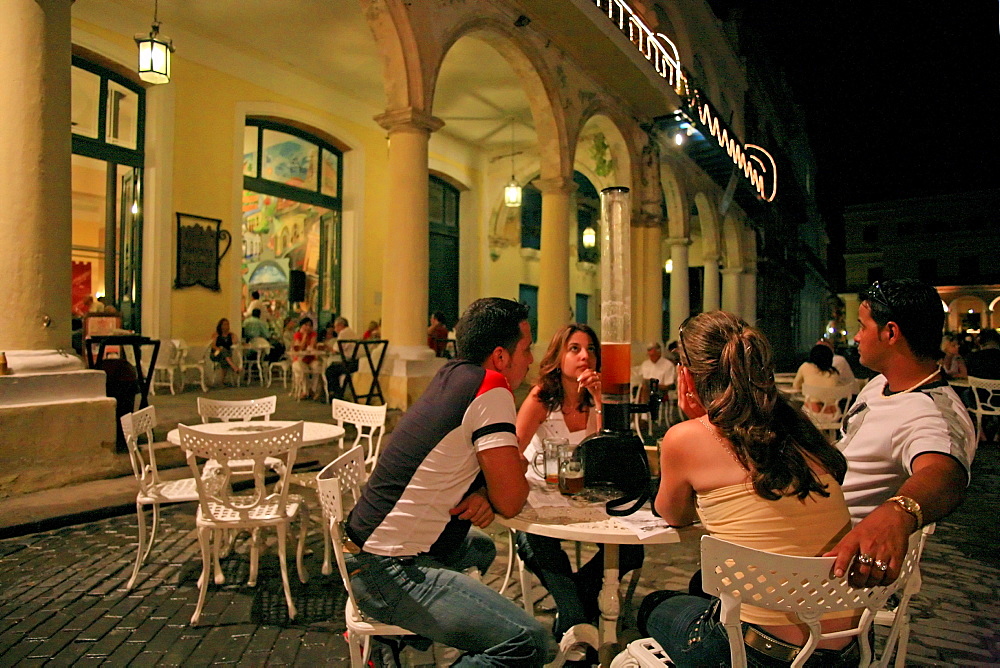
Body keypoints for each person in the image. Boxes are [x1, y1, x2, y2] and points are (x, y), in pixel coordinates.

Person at [640, 311, 858, 666]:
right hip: (848, 646)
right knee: (703, 585)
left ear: (686, 376)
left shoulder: (685, 439)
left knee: (656, 603)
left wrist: (692, 420)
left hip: (761, 655)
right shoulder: (797, 426)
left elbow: (673, 515)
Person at [344, 298, 554, 665]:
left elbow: (471, 471)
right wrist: (497, 487)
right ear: (501, 357)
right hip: (389, 569)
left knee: (479, 548)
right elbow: (511, 500)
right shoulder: (492, 388)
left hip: (363, 549)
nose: (532, 359)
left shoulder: (452, 375)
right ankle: (406, 625)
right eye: (527, 348)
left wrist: (486, 490)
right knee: (530, 642)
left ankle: (401, 640)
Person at [825, 279, 976, 589]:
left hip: (828, 561)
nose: (856, 337)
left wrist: (900, 511)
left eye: (862, 326)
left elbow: (945, 472)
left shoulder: (931, 412)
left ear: (890, 333)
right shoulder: (879, 384)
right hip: (809, 516)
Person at [514, 324, 644, 642]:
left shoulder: (597, 399)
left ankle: (574, 608)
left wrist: (600, 399)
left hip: (587, 496)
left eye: (590, 349)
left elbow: (608, 454)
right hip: (543, 496)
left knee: (631, 550)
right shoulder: (541, 398)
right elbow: (513, 448)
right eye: (574, 348)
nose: (585, 355)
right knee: (538, 543)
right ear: (559, 357)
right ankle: (576, 617)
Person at [791, 344, 842, 413]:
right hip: (832, 414)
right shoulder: (835, 373)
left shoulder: (805, 366)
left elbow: (795, 386)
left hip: (811, 413)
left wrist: (806, 388)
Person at [323, 316, 359, 400]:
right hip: (358, 362)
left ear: (341, 325)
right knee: (334, 366)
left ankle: (335, 394)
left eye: (336, 326)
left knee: (330, 370)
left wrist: (325, 346)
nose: (335, 329)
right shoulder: (351, 332)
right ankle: (337, 392)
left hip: (350, 363)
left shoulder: (343, 333)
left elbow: (335, 350)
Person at [290, 317, 322, 399]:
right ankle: (305, 391)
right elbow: (300, 348)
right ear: (301, 326)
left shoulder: (313, 334)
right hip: (300, 359)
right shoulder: (297, 335)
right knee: (302, 368)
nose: (308, 327)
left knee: (317, 366)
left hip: (311, 358)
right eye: (306, 325)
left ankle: (313, 390)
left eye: (310, 325)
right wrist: (304, 336)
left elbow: (312, 345)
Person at [209, 318, 240, 384]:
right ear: (221, 326)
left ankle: (222, 381)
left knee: (224, 358)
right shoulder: (216, 335)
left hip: (226, 355)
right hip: (216, 354)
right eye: (224, 324)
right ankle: (234, 367)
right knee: (223, 350)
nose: (226, 326)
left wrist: (233, 336)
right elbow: (213, 345)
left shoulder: (230, 335)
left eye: (227, 324)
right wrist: (219, 349)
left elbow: (236, 342)